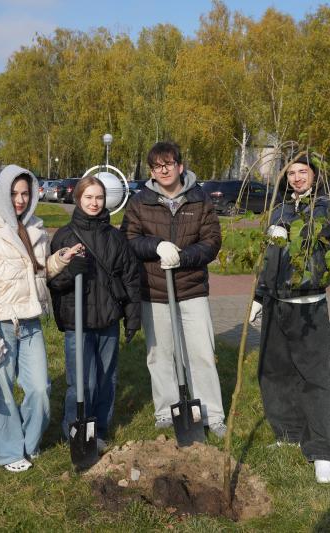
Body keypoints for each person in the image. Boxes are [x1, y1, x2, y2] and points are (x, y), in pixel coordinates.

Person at [0, 165, 80, 473]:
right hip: (0, 325)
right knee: (1, 392)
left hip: (30, 323)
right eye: (14, 194)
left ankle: (28, 443)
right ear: (2, 194)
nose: (20, 200)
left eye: (25, 194)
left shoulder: (34, 228)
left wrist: (59, 260)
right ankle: (7, 452)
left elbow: (38, 272)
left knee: (40, 388)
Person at [120, 141, 226, 437]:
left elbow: (212, 241)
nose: (163, 170)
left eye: (168, 164)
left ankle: (211, 414)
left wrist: (183, 256)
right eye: (157, 166)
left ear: (180, 166)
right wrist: (156, 246)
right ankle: (166, 410)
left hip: (191, 289)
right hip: (154, 291)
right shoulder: (140, 201)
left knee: (201, 353)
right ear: (151, 171)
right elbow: (128, 239)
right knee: (160, 354)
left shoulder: (199, 199)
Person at [249, 152, 330, 484]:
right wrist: (259, 296)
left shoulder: (325, 207)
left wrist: (289, 231)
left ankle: (321, 450)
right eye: (291, 173)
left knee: (315, 376)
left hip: (308, 303)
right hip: (277, 301)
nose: (297, 178)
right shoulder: (279, 208)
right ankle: (287, 431)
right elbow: (269, 259)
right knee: (275, 370)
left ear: (315, 175)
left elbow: (320, 238)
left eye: (303, 172)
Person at [48, 176, 141, 451]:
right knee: (81, 382)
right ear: (78, 199)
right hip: (78, 320)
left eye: (99, 197)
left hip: (108, 319)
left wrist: (132, 317)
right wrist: (70, 273)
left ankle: (99, 429)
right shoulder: (64, 236)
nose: (94, 202)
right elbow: (53, 282)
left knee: (106, 378)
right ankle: (74, 430)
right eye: (88, 197)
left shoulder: (115, 237)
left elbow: (130, 278)